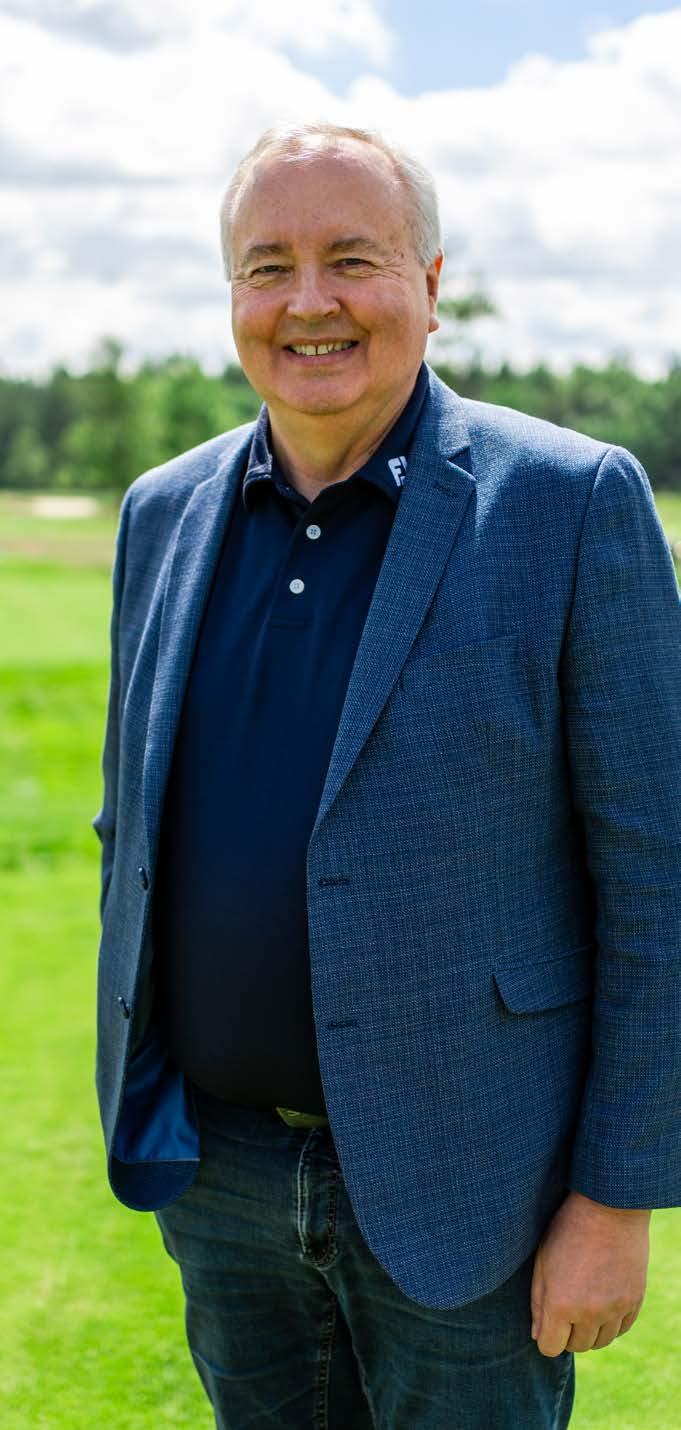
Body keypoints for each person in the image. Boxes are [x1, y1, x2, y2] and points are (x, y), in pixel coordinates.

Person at [93, 122, 681, 1429]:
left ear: (429, 280)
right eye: (269, 266)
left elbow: (660, 876)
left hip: (477, 1188)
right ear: (233, 293)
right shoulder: (160, 512)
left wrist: (616, 1197)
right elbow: (131, 826)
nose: (308, 301)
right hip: (221, 1178)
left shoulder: (570, 503)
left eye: (351, 259)